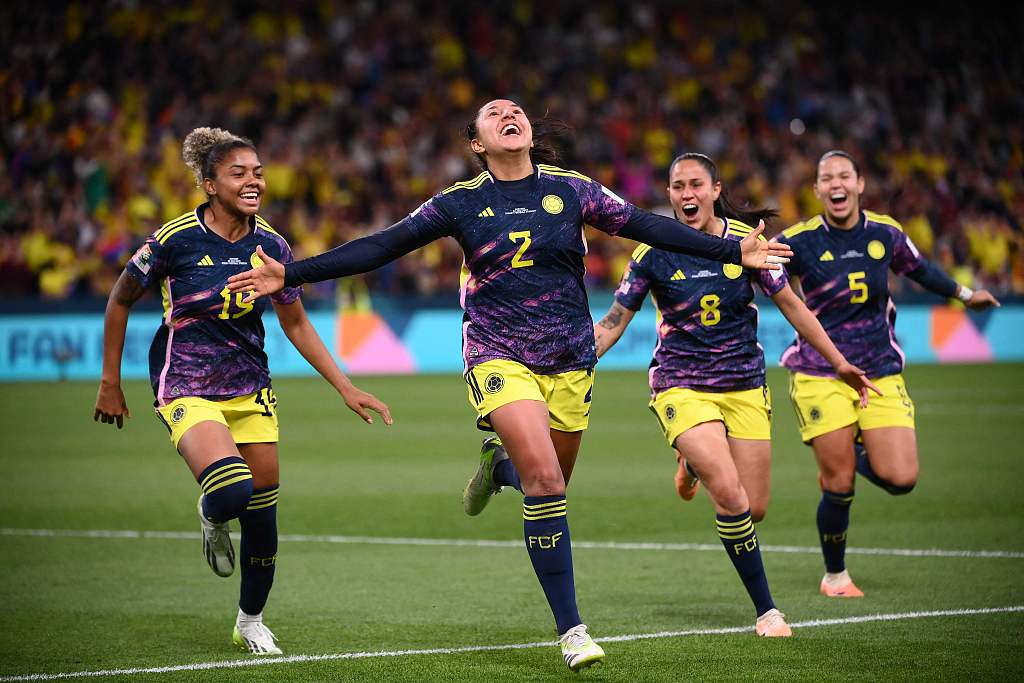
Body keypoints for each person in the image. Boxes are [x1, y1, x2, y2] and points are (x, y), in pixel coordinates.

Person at [226, 99, 793, 671]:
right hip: (498, 354)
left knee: (547, 483)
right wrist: (291, 273)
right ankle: (572, 631)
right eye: (493, 113)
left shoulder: (572, 189)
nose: (508, 114)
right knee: (544, 480)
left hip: (569, 359)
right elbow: (381, 245)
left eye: (514, 110)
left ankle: (499, 468)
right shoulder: (460, 201)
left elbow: (646, 225)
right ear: (478, 142)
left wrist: (732, 249)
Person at [93, 127, 392, 656]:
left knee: (262, 515)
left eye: (258, 172)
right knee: (232, 492)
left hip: (250, 385)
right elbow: (120, 299)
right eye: (239, 174)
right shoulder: (173, 241)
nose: (253, 181)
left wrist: (345, 386)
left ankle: (250, 621)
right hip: (185, 382)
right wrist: (109, 381)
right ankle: (211, 515)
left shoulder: (271, 245)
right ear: (210, 184)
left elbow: (295, 322)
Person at [591, 152, 878, 637]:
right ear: (669, 194)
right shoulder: (651, 252)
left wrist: (839, 362)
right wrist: (572, 358)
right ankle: (767, 611)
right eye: (678, 186)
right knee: (728, 491)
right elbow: (615, 320)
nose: (687, 194)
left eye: (696, 185)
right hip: (681, 383)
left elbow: (793, 306)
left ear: (715, 190)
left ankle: (691, 464)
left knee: (754, 506)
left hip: (744, 384)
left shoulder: (748, 246)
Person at [776, 150, 1000, 598]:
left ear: (860, 183)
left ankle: (843, 453)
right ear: (817, 189)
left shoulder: (886, 233)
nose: (836, 184)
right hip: (821, 370)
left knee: (901, 478)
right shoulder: (799, 240)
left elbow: (920, 269)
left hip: (879, 369)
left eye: (844, 176)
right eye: (826, 178)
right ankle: (835, 577)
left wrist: (964, 294)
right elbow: (754, 267)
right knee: (839, 483)